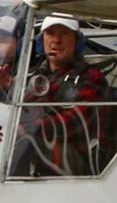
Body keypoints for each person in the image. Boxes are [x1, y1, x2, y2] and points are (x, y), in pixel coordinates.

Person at [14, 13, 107, 176]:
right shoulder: (33, 76)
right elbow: (16, 112)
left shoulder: (91, 77)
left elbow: (75, 121)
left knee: (25, 143)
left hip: (78, 156)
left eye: (64, 34)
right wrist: (2, 88)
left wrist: (28, 129)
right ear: (41, 41)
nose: (56, 40)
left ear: (77, 42)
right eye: (50, 34)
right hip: (42, 143)